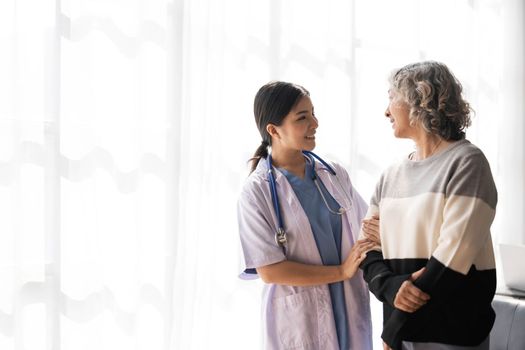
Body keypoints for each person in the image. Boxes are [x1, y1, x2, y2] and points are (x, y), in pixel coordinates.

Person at [359, 61, 497, 350]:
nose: (386, 111)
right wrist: (390, 286)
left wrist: (394, 326)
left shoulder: (467, 163)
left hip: (452, 333)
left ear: (419, 99)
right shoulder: (390, 175)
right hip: (402, 336)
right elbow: (367, 249)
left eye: (391, 98)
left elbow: (452, 256)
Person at [237, 81, 377, 350]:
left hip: (347, 306)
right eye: (303, 117)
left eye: (313, 113)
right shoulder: (257, 191)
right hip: (300, 317)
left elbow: (367, 228)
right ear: (273, 130)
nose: (315, 123)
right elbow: (269, 270)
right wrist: (341, 271)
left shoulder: (333, 174)